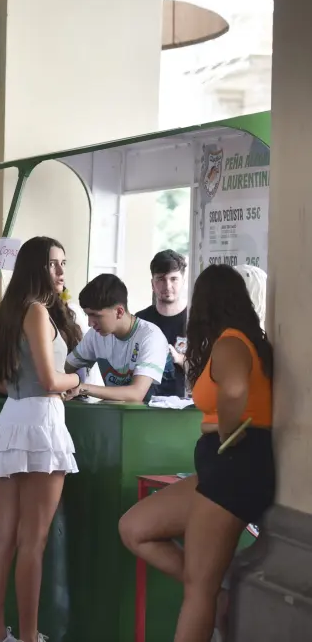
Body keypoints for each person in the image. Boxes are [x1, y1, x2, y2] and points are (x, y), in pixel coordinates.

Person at [118, 264, 274, 642]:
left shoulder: (231, 342)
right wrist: (217, 426)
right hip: (220, 472)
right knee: (135, 528)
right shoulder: (238, 339)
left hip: (231, 472)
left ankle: (213, 588)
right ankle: (220, 588)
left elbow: (235, 392)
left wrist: (224, 430)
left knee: (196, 592)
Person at [0, 237, 84, 642]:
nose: (61, 272)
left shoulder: (6, 312)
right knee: (33, 541)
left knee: (5, 534)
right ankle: (27, 636)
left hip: (12, 420)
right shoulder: (38, 311)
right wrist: (78, 381)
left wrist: (36, 390)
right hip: (41, 422)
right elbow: (50, 379)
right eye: (54, 264)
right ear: (36, 268)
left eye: (63, 263)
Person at [62, 274, 167, 403]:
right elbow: (65, 368)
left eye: (95, 315)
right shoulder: (95, 335)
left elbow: (136, 394)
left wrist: (83, 387)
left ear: (119, 312)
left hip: (155, 419)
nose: (90, 323)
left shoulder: (151, 337)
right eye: (88, 315)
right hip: (117, 417)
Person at [135, 250, 189, 398]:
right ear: (152, 284)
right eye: (161, 279)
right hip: (146, 406)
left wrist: (178, 358)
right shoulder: (140, 321)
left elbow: (208, 369)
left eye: (174, 279)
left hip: (185, 407)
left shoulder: (197, 320)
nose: (167, 285)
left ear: (183, 281)